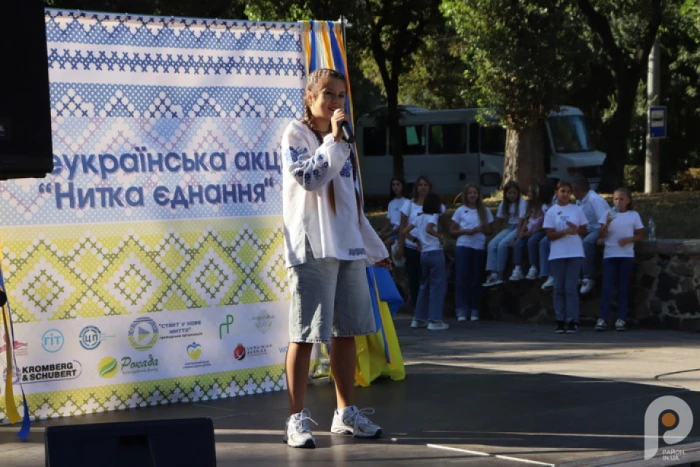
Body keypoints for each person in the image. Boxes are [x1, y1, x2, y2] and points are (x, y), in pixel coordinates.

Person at [280, 68, 389, 449]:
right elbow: (309, 179)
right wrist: (334, 141)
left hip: (348, 246)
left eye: (342, 95)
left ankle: (345, 414)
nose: (336, 102)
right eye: (328, 93)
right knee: (306, 334)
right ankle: (295, 419)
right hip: (313, 246)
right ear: (309, 96)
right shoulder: (297, 134)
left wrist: (374, 247)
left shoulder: (342, 141)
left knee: (348, 333)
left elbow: (351, 202)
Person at [595, 188, 645, 332]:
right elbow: (601, 235)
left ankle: (621, 318)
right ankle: (603, 318)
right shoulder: (607, 214)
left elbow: (641, 234)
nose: (618, 202)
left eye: (622, 199)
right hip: (610, 255)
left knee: (623, 287)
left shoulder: (633, 215)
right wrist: (607, 224)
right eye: (616, 199)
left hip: (626, 255)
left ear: (628, 201)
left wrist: (629, 239)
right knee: (607, 287)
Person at [543, 181, 588, 334]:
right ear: (556, 192)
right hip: (558, 254)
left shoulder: (577, 209)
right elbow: (549, 235)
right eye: (562, 191)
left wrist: (575, 229)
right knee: (558, 288)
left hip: (575, 253)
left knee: (571, 288)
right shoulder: (551, 211)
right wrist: (563, 232)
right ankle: (560, 320)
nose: (565, 194)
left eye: (568, 191)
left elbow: (583, 230)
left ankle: (573, 320)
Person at [396, 175, 445, 309]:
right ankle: (416, 307)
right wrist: (403, 246)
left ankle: (429, 307)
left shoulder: (437, 206)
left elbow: (441, 225)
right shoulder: (409, 204)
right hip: (412, 246)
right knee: (415, 277)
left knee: (429, 278)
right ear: (416, 188)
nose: (423, 188)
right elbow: (403, 227)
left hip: (430, 247)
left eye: (426, 185)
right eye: (420, 185)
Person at [404, 191, 449, 330]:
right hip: (435, 252)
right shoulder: (433, 216)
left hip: (424, 254)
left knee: (424, 285)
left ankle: (419, 318)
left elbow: (404, 231)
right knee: (437, 286)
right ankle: (435, 320)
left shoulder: (419, 217)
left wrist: (416, 240)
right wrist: (440, 236)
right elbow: (430, 229)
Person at [450, 184, 494, 321]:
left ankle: (475, 308)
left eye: (475, 193)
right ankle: (461, 309)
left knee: (476, 279)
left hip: (478, 247)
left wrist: (481, 229)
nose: (472, 195)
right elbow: (453, 230)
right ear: (466, 195)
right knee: (462, 278)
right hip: (464, 245)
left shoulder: (485, 211)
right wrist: (465, 231)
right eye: (470, 193)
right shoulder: (461, 211)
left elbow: (490, 230)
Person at [483, 181, 527, 287]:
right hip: (509, 227)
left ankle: (499, 273)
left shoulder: (522, 202)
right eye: (509, 193)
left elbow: (522, 220)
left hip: (518, 227)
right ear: (505, 194)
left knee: (503, 244)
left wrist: (516, 237)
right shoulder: (504, 204)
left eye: (514, 193)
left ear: (518, 193)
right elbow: (499, 220)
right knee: (492, 244)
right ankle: (492, 272)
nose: (512, 196)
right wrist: (495, 234)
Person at [572, 177, 610, 294]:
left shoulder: (594, 200)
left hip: (599, 228)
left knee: (586, 243)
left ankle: (588, 277)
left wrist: (603, 236)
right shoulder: (580, 201)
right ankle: (576, 275)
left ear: (581, 190)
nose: (572, 193)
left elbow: (604, 220)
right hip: (588, 228)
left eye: (574, 190)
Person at [510, 183, 546, 281]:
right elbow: (526, 220)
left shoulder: (543, 207)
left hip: (539, 230)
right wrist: (521, 232)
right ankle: (517, 268)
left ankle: (533, 267)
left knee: (532, 241)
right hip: (529, 230)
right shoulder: (529, 205)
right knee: (518, 242)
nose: (528, 194)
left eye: (530, 192)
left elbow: (544, 225)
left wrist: (533, 232)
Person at [378, 177, 407, 252]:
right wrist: (381, 232)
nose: (395, 187)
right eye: (393, 185)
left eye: (398, 184)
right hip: (392, 231)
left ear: (402, 186)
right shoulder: (391, 203)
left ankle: (390, 263)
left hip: (402, 231)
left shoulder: (407, 202)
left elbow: (404, 224)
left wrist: (389, 234)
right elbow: (389, 223)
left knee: (387, 242)